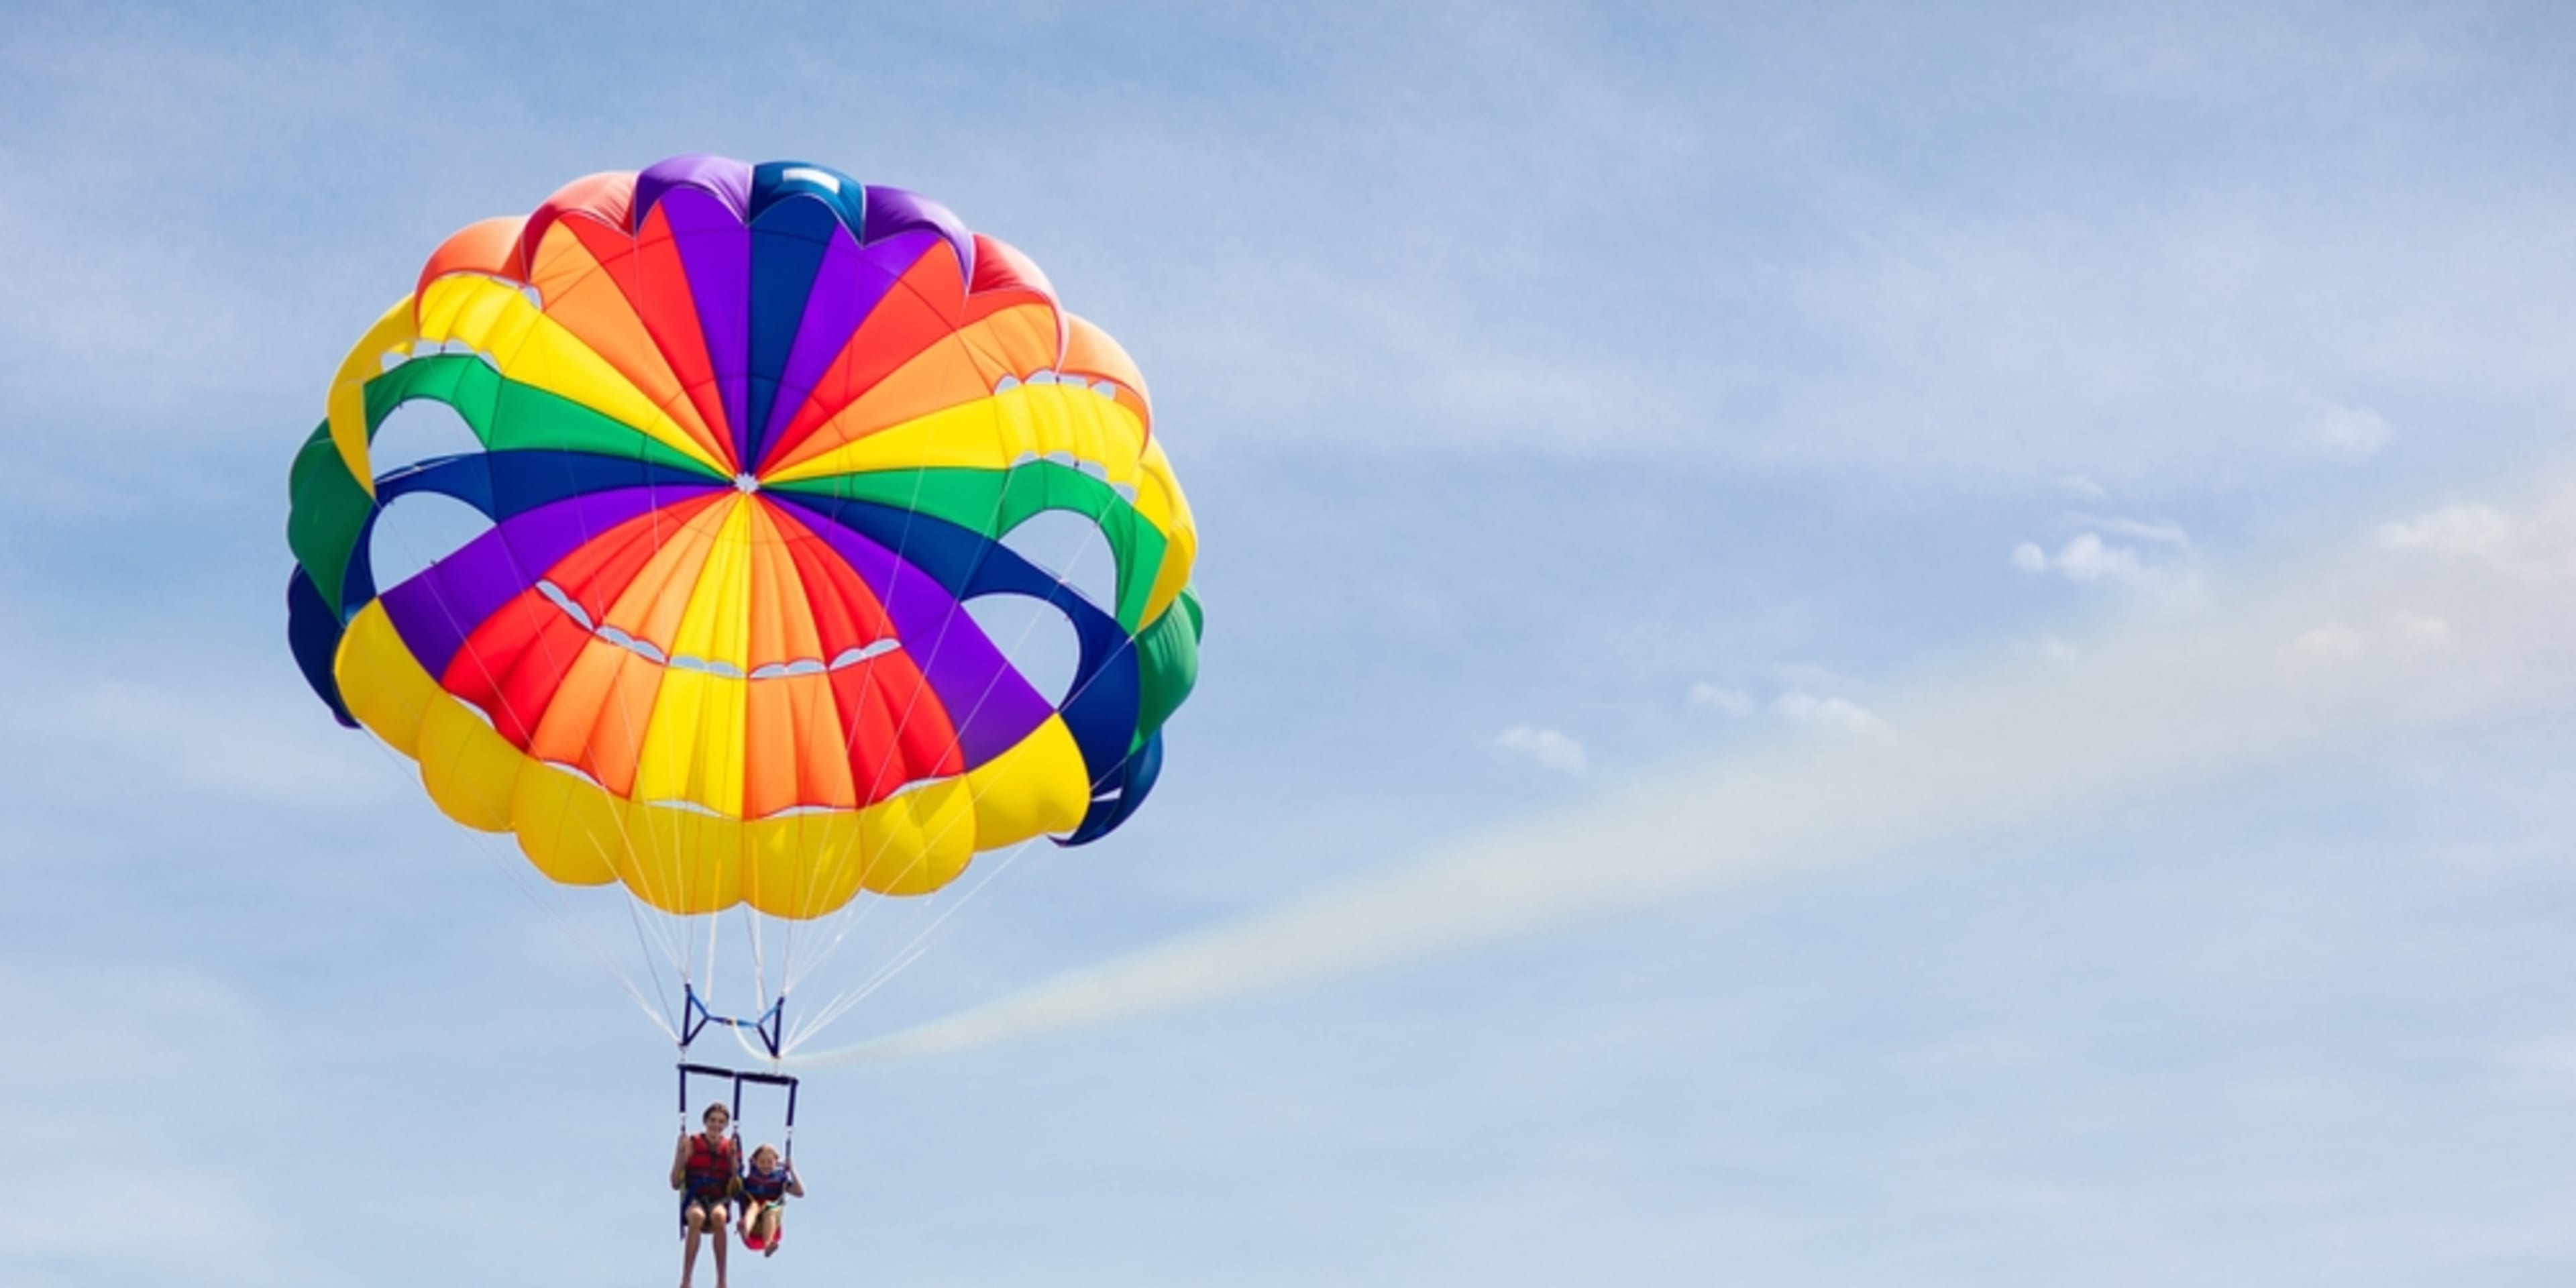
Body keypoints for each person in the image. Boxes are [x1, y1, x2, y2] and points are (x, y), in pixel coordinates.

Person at [672, 1103, 741, 1288]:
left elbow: (737, 1190)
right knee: (697, 1216)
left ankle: (721, 1280)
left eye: (721, 1122)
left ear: (726, 1126)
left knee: (720, 1216)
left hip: (718, 1200)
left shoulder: (729, 1147)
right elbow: (674, 1183)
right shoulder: (692, 1143)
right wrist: (681, 1153)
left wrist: (734, 1159)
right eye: (712, 1120)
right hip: (694, 1198)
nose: (716, 1126)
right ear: (705, 1121)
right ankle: (686, 1279)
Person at [735, 1143, 804, 1256]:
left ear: (776, 1163)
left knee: (770, 1207)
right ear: (755, 1162)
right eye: (762, 1162)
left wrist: (792, 1170)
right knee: (754, 1206)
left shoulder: (780, 1181)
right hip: (752, 1234)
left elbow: (800, 1193)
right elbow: (736, 1196)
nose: (766, 1165)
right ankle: (745, 1230)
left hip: (772, 1231)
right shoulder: (749, 1181)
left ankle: (768, 1245)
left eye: (769, 1162)